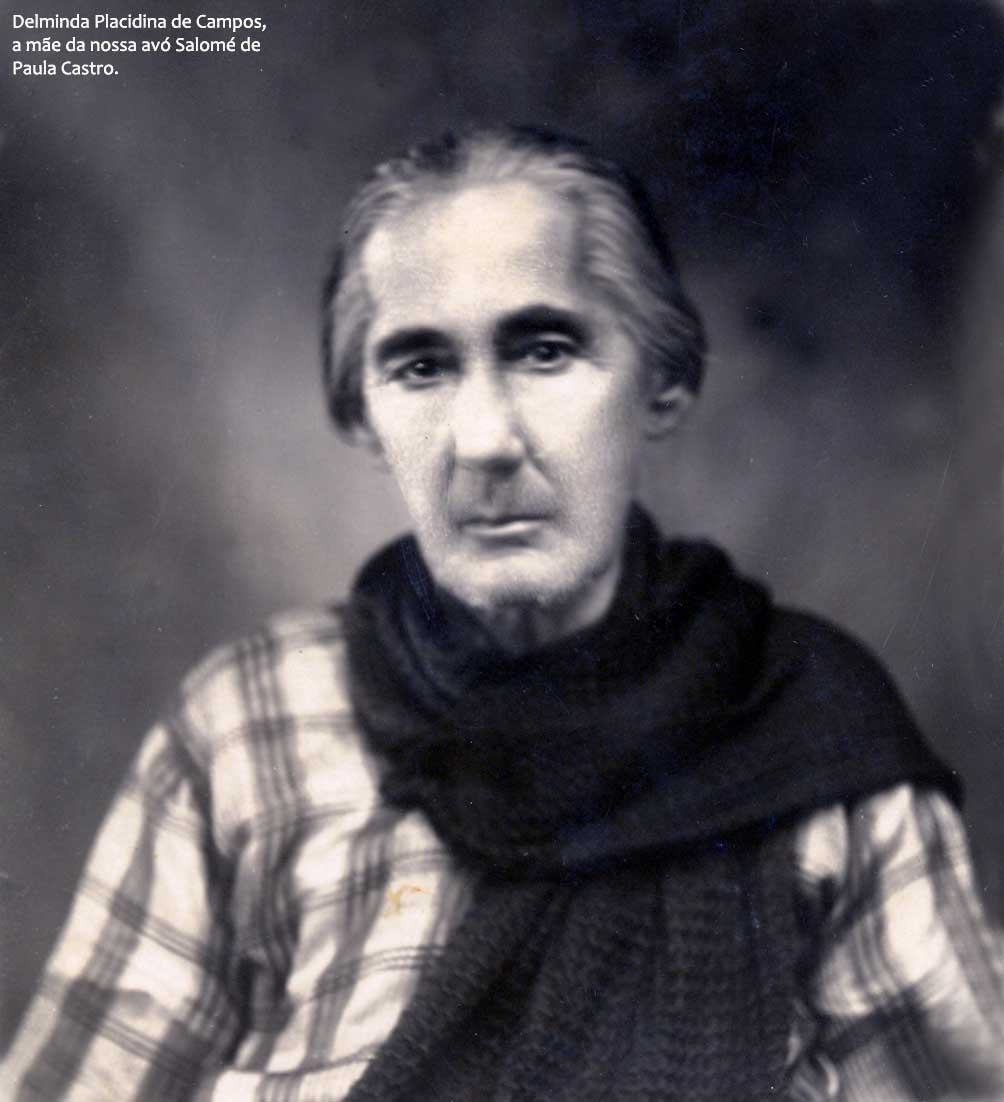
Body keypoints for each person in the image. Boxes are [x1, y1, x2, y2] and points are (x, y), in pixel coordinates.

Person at [3, 126, 1003, 1102]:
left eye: (544, 351)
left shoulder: (810, 730)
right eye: (421, 367)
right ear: (362, 416)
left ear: (660, 386)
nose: (483, 439)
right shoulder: (248, 719)